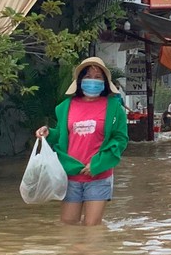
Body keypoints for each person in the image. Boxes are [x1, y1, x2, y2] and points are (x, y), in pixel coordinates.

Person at [35, 57, 129, 226]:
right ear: (80, 81)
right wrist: (48, 133)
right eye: (88, 76)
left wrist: (98, 163)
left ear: (105, 82)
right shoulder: (65, 106)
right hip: (71, 175)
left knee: (92, 227)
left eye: (98, 77)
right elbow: (62, 136)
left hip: (98, 175)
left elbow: (120, 139)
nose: (93, 80)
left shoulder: (114, 108)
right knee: (68, 224)